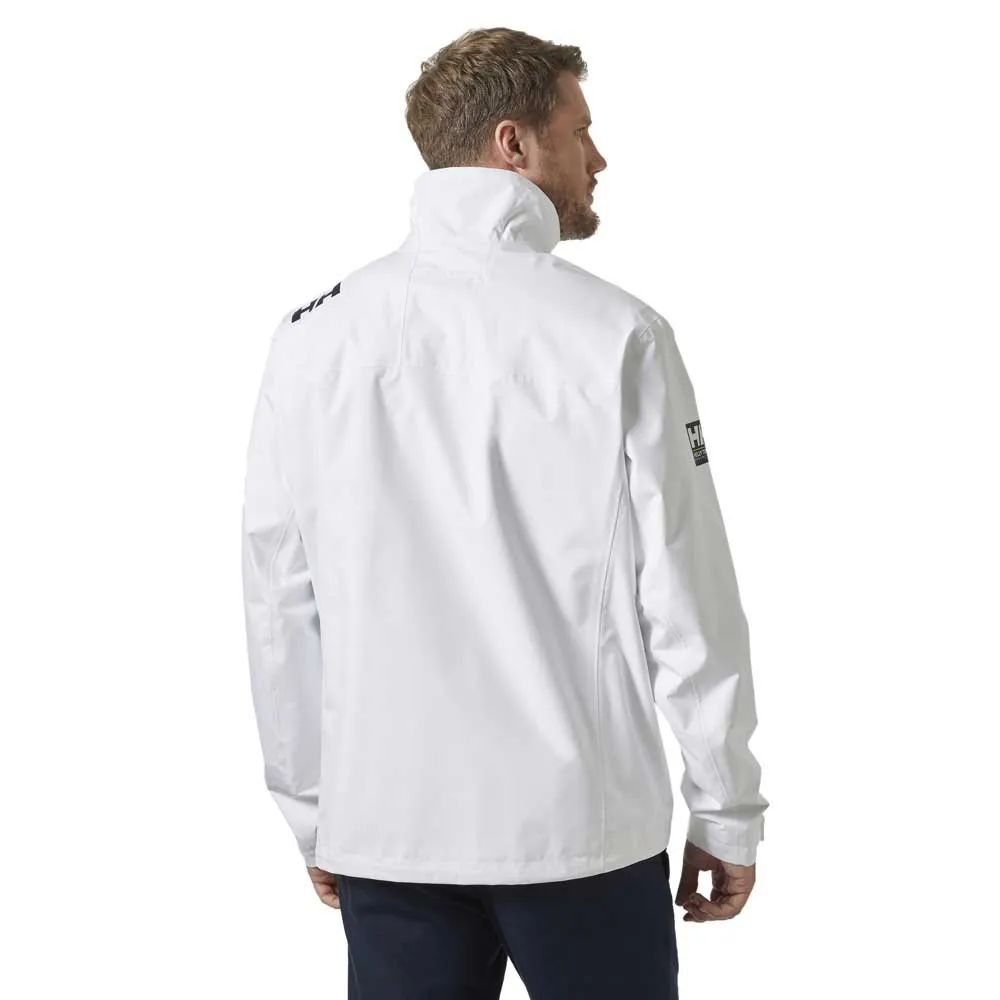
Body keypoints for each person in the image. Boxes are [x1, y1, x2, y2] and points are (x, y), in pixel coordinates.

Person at [240, 25, 769, 999]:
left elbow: (278, 600)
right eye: (580, 130)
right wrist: (726, 808)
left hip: (387, 832)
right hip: (580, 833)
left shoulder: (312, 337)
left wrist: (315, 811)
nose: (598, 158)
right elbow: (687, 597)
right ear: (513, 144)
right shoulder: (618, 335)